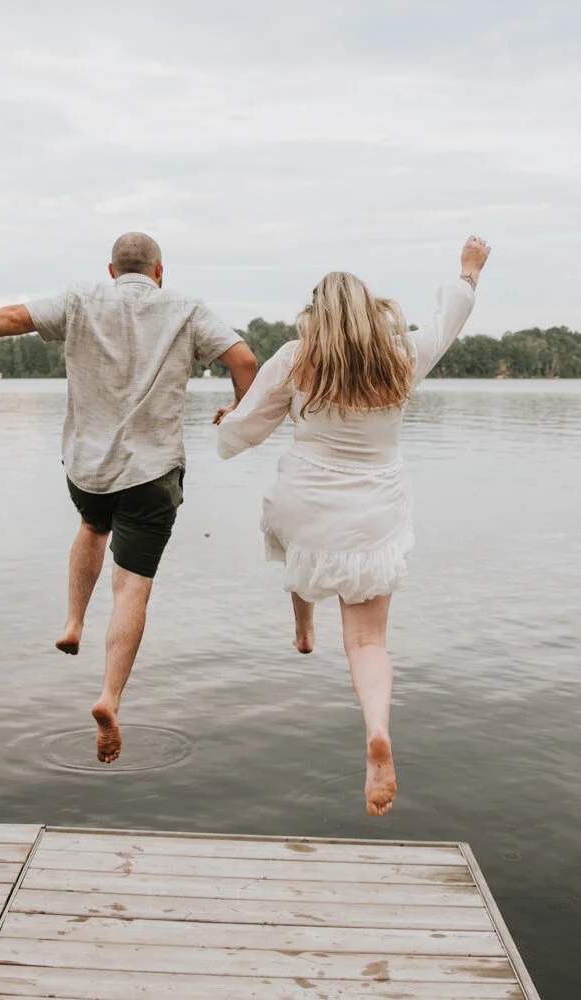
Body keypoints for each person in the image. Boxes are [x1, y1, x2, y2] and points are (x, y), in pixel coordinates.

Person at [0, 232, 259, 762]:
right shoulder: (185, 308)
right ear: (160, 270)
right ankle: (109, 697)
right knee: (132, 588)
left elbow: (8, 319)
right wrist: (240, 414)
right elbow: (245, 361)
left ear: (112, 270)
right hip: (152, 471)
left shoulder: (79, 299)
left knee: (93, 528)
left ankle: (73, 622)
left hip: (87, 467)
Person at [214, 236, 491, 816]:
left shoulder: (295, 356)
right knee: (368, 641)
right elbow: (451, 316)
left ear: (314, 312)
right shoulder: (402, 356)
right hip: (375, 509)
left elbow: (246, 428)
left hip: (306, 501)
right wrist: (468, 270)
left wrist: (227, 419)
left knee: (283, 530)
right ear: (369, 309)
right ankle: (376, 731)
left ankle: (303, 629)